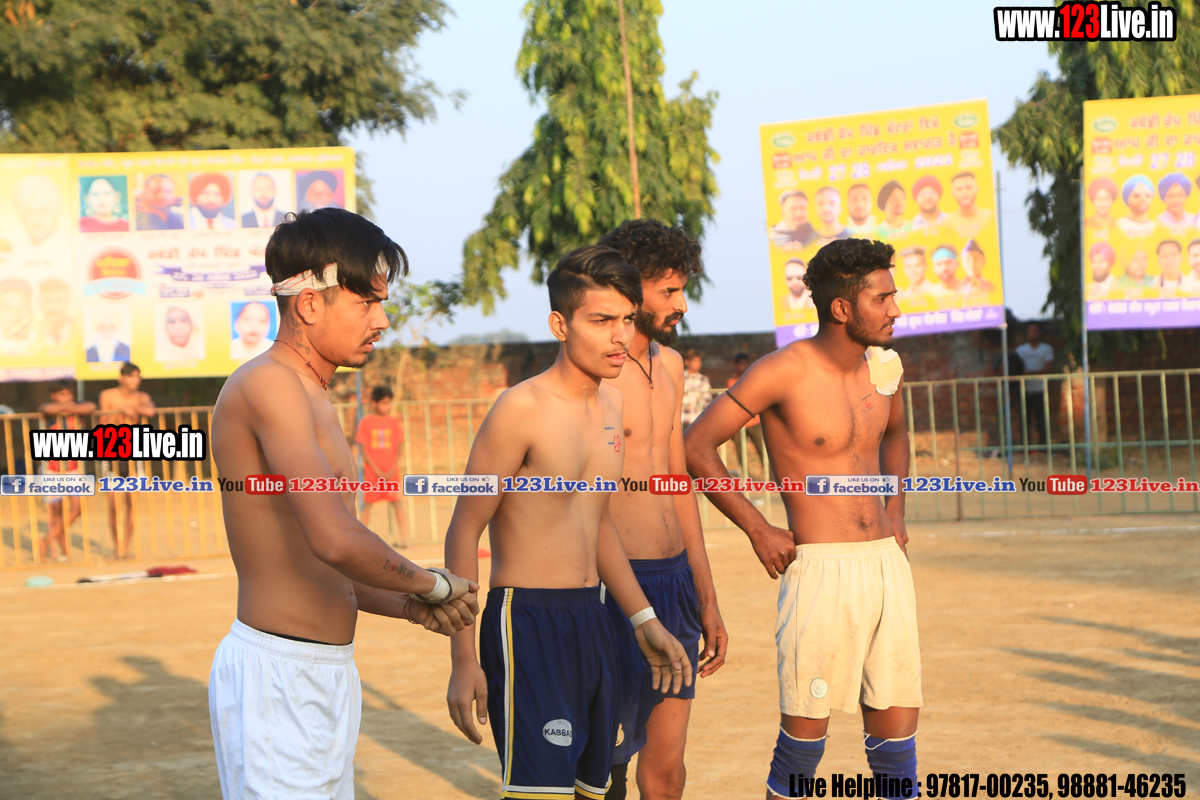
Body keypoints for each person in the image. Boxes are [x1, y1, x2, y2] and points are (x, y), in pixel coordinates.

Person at [209, 207, 480, 800]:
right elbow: (334, 539)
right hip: (279, 675)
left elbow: (331, 570)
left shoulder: (311, 395)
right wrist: (432, 584)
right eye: (367, 303)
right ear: (309, 304)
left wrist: (411, 605)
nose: (383, 320)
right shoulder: (268, 385)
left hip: (324, 672)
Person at [443, 244, 693, 800]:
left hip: (593, 616)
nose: (619, 336)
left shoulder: (611, 407)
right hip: (527, 622)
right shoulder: (520, 408)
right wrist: (463, 659)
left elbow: (596, 522)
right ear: (560, 325)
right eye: (601, 321)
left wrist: (643, 619)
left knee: (592, 792)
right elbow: (464, 530)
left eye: (627, 320)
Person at [683, 237, 919, 800]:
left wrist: (895, 507)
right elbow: (697, 445)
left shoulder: (886, 366)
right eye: (882, 298)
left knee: (897, 744)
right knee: (803, 747)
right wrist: (758, 527)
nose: (895, 309)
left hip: (886, 566)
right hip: (820, 570)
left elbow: (897, 434)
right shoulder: (781, 371)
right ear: (842, 308)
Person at [596, 219, 727, 800]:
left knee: (666, 772)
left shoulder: (671, 365)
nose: (681, 304)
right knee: (599, 771)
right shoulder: (593, 374)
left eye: (683, 289)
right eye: (668, 291)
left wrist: (706, 593)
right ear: (628, 288)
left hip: (673, 581)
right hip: (610, 587)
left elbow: (678, 483)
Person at [98, 362, 156, 559]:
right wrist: (120, 413)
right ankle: (117, 547)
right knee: (113, 504)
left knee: (131, 502)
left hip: (133, 452)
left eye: (137, 376)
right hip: (111, 450)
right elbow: (102, 421)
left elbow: (150, 411)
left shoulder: (141, 397)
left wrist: (132, 408)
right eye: (131, 376)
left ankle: (126, 546)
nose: (135, 380)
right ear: (121, 377)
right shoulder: (107, 395)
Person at [38, 381, 97, 562]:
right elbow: (46, 409)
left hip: (72, 468)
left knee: (76, 509)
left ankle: (46, 540)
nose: (66, 398)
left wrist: (67, 407)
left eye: (69, 394)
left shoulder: (77, 409)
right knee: (56, 513)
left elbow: (91, 407)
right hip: (52, 469)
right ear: (54, 395)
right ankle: (63, 553)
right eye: (62, 394)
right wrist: (69, 407)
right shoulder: (49, 409)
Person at [355, 385, 408, 548]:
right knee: (367, 504)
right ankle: (361, 539)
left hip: (391, 471)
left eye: (388, 403)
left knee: (397, 502)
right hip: (373, 472)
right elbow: (363, 448)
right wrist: (376, 469)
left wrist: (392, 468)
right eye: (384, 403)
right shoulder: (366, 422)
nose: (387, 406)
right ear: (374, 403)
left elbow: (398, 446)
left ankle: (404, 538)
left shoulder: (393, 422)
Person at [1015, 323, 1054, 450]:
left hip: (1040, 389)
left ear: (1040, 333)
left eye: (1035, 331)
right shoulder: (1020, 349)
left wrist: (1030, 374)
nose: (1033, 333)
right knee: (1024, 420)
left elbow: (1049, 369)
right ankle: (1025, 448)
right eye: (1030, 331)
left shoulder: (1046, 348)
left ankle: (1043, 447)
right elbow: (1016, 369)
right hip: (1024, 389)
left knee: (1042, 419)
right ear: (1027, 333)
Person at [727, 352, 766, 480]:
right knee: (741, 453)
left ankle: (771, 478)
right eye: (741, 363)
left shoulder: (753, 379)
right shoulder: (731, 382)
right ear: (735, 365)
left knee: (763, 450)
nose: (744, 366)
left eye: (746, 363)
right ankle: (747, 478)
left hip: (755, 420)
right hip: (739, 423)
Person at [945, 171, 995, 239]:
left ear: (977, 189)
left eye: (968, 187)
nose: (964, 192)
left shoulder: (990, 217)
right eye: (959, 189)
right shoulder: (947, 222)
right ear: (953, 193)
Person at [0, 278, 36, 355]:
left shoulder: (46, 343)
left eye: (22, 307)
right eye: (8, 308)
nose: (15, 314)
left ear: (31, 311)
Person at [37, 278, 73, 351]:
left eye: (59, 301)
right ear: (39, 303)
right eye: (48, 301)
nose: (53, 307)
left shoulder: (80, 328)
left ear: (68, 302)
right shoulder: (33, 331)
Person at [680, 348, 711, 428]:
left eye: (699, 361)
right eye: (695, 361)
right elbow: (679, 399)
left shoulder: (704, 379)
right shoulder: (680, 377)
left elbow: (707, 400)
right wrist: (696, 397)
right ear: (687, 362)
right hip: (683, 420)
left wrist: (689, 397)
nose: (698, 364)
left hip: (699, 421)